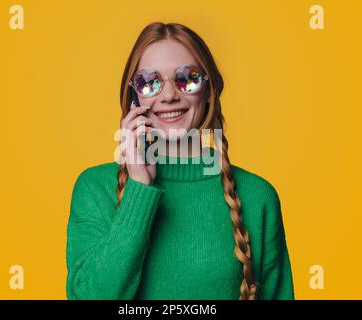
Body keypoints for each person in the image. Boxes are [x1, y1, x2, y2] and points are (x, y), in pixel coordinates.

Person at [66, 22, 294, 300]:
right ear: (134, 94)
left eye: (188, 77)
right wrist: (139, 188)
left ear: (210, 89)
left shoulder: (257, 196)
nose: (170, 95)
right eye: (149, 82)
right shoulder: (94, 188)